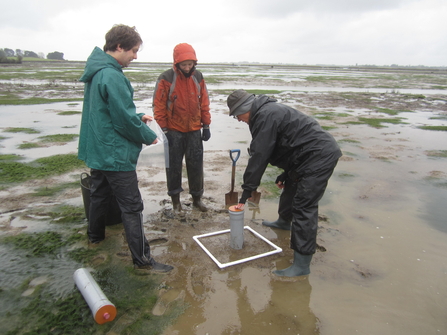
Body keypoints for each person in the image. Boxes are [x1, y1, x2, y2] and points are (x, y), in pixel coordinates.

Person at [78, 24, 173, 273]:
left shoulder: (98, 71)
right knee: (132, 206)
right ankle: (143, 261)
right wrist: (146, 135)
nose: (135, 56)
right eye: (133, 50)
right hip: (114, 154)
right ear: (119, 47)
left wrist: (138, 115)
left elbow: (108, 112)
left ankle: (95, 237)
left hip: (98, 150)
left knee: (99, 194)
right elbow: (121, 119)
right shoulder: (111, 75)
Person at [227, 89, 342, 277]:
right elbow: (290, 144)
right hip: (306, 156)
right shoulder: (265, 113)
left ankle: (302, 264)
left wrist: (247, 191)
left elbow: (260, 156)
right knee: (290, 188)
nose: (239, 119)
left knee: (304, 206)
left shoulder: (265, 116)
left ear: (245, 107)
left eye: (237, 115)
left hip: (319, 156)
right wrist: (287, 173)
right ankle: (284, 221)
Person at [153, 43, 211, 213]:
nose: (187, 67)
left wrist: (206, 125)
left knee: (196, 165)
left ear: (194, 63)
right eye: (184, 64)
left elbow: (204, 102)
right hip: (173, 130)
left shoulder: (198, 77)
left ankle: (197, 199)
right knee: (173, 166)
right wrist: (164, 130)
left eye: (190, 64)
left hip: (194, 129)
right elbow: (159, 105)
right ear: (176, 63)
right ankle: (176, 201)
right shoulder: (166, 78)